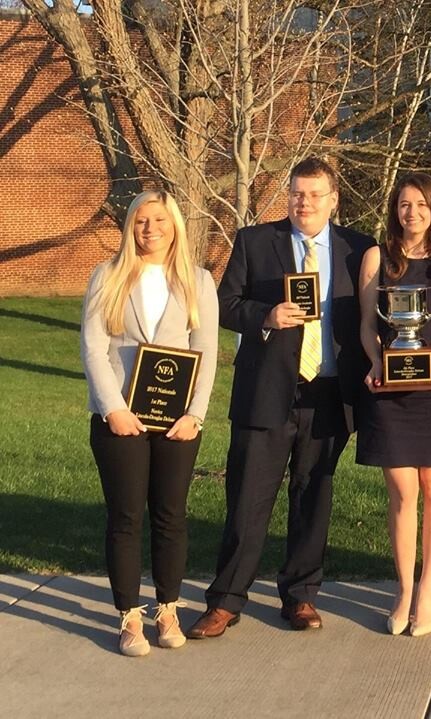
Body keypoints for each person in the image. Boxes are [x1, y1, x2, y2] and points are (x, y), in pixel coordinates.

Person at [187, 157, 374, 638]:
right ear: (287, 196)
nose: (304, 202)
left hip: (329, 395)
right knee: (248, 500)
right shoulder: (254, 241)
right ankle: (225, 601)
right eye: (297, 193)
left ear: (334, 200)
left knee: (313, 499)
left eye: (315, 194)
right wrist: (265, 316)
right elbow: (225, 305)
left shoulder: (359, 249)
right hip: (266, 393)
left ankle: (301, 597)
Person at [80, 190, 218, 656]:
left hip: (176, 422)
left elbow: (207, 352)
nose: (150, 228)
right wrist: (111, 407)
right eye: (141, 220)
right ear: (130, 227)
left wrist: (195, 414)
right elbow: (94, 348)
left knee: (170, 516)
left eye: (159, 219)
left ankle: (168, 609)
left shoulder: (197, 281)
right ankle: (128, 618)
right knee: (125, 517)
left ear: (174, 225)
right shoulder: (108, 276)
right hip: (120, 419)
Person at [356, 173, 431, 637]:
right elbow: (367, 324)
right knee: (402, 493)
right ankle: (404, 589)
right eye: (405, 204)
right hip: (390, 389)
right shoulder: (377, 257)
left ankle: (429, 588)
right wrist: (377, 361)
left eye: (422, 205)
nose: (413, 213)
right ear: (394, 209)